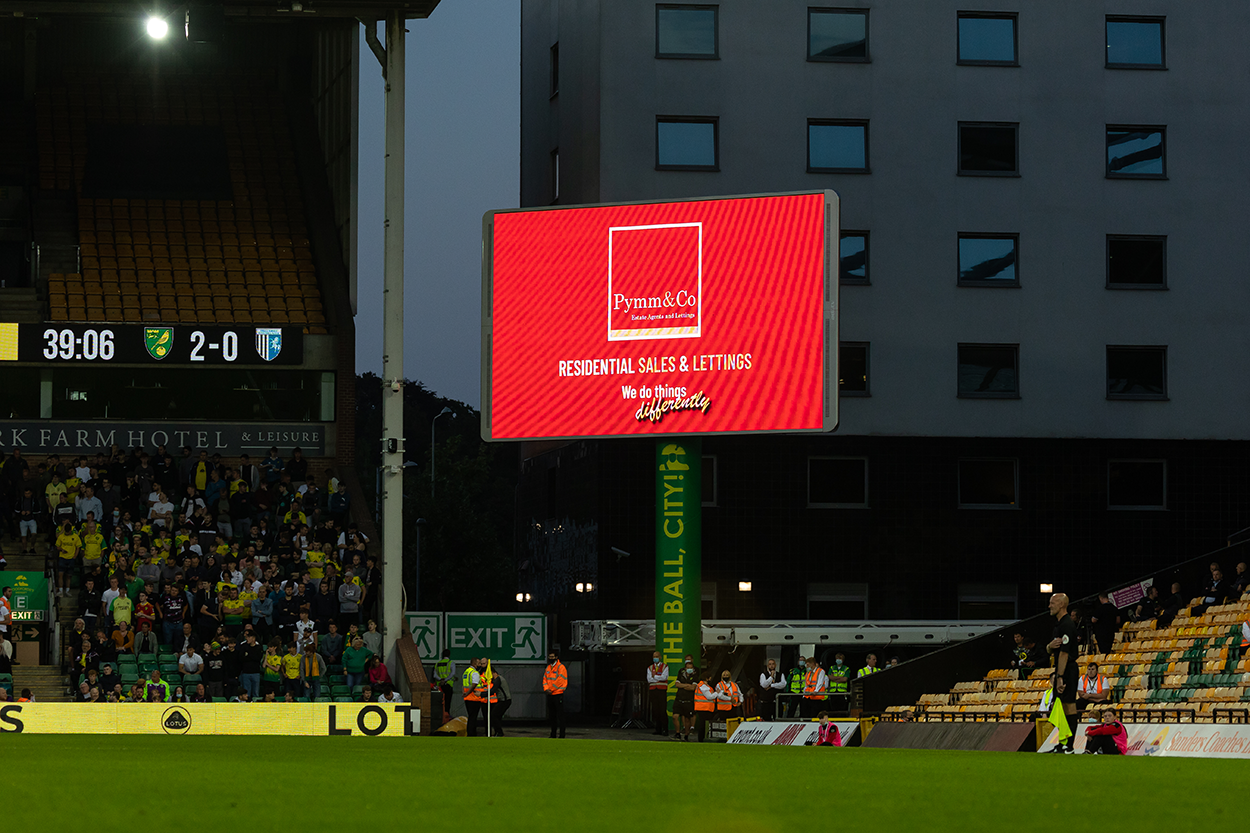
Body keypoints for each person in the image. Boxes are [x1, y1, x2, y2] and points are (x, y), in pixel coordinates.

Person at [1046, 593, 1080, 753]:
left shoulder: (1067, 625)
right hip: (1061, 668)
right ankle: (1062, 743)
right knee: (1060, 707)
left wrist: (1059, 677)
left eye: (1052, 603)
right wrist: (1049, 647)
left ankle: (1069, 745)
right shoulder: (1059, 625)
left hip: (1068, 670)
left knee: (1069, 706)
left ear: (1061, 604)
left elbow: (1065, 654)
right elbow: (1054, 650)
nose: (1049, 606)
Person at [543, 650, 568, 739]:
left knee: (560, 716)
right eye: (550, 657)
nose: (550, 658)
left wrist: (551, 689)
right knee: (552, 716)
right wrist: (546, 689)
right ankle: (553, 734)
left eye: (552, 657)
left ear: (556, 657)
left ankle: (562, 735)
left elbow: (560, 681)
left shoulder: (561, 667)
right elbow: (545, 679)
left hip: (558, 694)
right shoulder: (548, 668)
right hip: (550, 694)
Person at [672, 655, 697, 741]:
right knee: (675, 716)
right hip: (679, 698)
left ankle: (686, 735)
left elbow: (693, 687)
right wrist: (686, 685)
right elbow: (677, 684)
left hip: (688, 700)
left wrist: (683, 686)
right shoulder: (681, 672)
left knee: (687, 719)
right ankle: (677, 733)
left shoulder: (695, 674)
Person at [646, 650, 669, 735]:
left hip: (661, 690)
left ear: (660, 657)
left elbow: (664, 677)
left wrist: (654, 676)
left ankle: (665, 729)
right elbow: (649, 679)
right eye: (654, 657)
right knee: (655, 710)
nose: (655, 658)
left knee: (662, 710)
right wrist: (658, 677)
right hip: (653, 690)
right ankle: (658, 729)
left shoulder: (665, 667)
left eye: (656, 656)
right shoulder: (650, 667)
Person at [463, 657, 485, 737]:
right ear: (474, 664)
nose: (480, 665)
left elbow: (464, 684)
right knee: (473, 717)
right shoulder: (474, 673)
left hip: (467, 698)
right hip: (474, 698)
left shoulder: (466, 672)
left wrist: (465, 693)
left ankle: (470, 733)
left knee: (471, 716)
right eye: (479, 663)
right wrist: (468, 693)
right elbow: (474, 684)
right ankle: (472, 734)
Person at [237, 632, 263, 700]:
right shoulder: (243, 646)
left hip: (256, 672)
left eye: (248, 637)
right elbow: (241, 658)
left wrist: (248, 655)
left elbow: (258, 658)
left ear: (253, 638)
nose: (246, 639)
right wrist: (251, 657)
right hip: (246, 672)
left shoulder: (258, 647)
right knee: (246, 694)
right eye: (246, 637)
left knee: (256, 693)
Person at [693, 671, 718, 742]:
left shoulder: (704, 686)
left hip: (704, 708)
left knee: (703, 724)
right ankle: (701, 739)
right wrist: (717, 693)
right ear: (707, 678)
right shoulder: (703, 686)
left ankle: (702, 738)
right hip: (703, 708)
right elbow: (709, 697)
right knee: (703, 725)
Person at [433, 648, 455, 721]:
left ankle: (440, 716)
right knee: (447, 702)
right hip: (448, 685)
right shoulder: (450, 663)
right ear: (449, 655)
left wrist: (440, 679)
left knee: (439, 702)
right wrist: (445, 680)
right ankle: (446, 716)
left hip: (439, 686)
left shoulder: (437, 664)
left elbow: (435, 675)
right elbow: (452, 673)